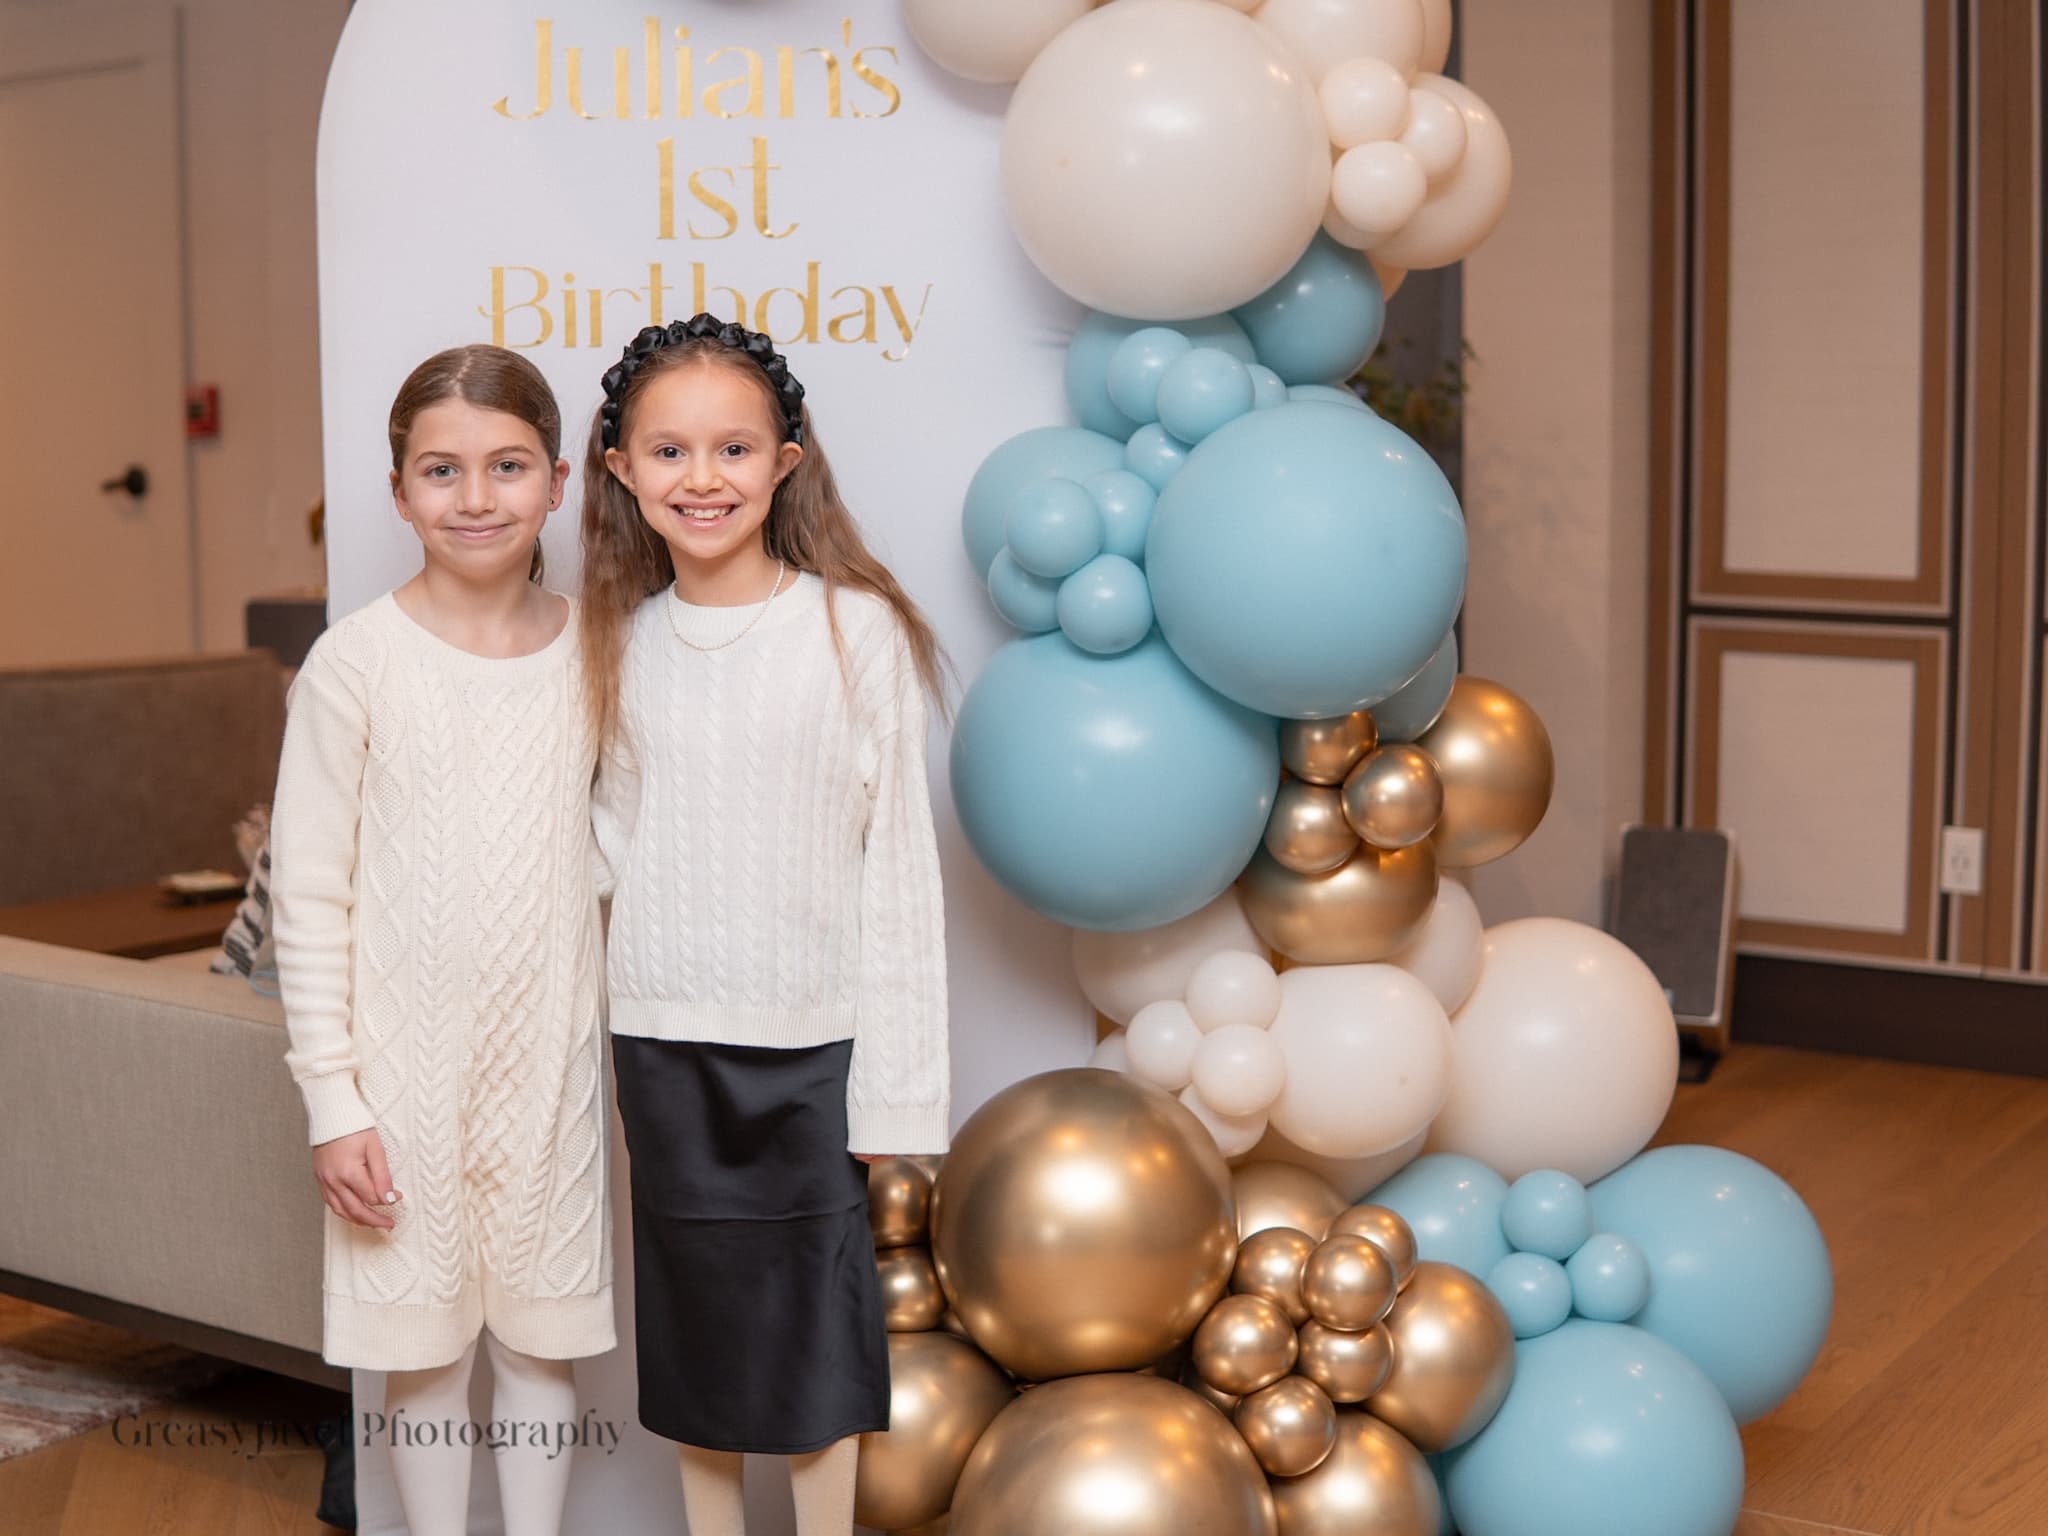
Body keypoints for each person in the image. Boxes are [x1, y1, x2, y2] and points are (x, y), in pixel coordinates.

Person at [581, 314, 950, 1535]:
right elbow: (602, 852)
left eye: (733, 448)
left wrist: (897, 1100)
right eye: (669, 451)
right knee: (695, 1327)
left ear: (785, 461)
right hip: (662, 1043)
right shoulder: (615, 645)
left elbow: (898, 873)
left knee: (812, 1336)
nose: (703, 479)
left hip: (810, 1051)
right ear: (621, 470)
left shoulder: (854, 631)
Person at [271, 345, 613, 1536]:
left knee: (537, 1339)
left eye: (507, 467)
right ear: (398, 491)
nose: (475, 498)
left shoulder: (600, 653)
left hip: (549, 1069)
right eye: (441, 470)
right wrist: (334, 1100)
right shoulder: (354, 664)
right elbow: (309, 894)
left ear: (558, 483)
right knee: (419, 1350)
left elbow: (617, 849)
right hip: (397, 1081)